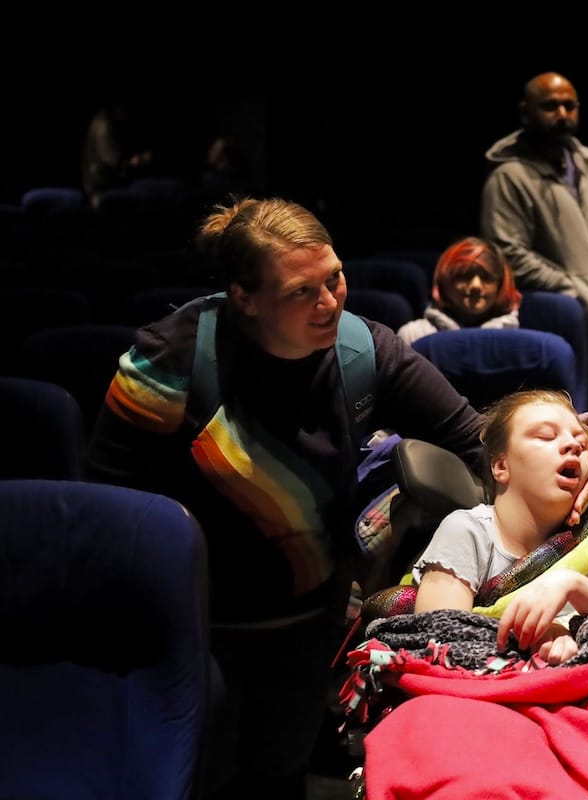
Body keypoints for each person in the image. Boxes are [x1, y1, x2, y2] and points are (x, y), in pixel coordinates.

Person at [84, 196, 496, 800]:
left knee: (279, 778)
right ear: (245, 298)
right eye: (302, 291)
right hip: (192, 627)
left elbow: (475, 438)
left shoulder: (364, 349)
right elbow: (106, 503)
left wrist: (560, 444)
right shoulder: (169, 361)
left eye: (335, 278)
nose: (329, 302)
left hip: (307, 623)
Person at [411, 388, 588, 663]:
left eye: (581, 442)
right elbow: (438, 646)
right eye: (546, 436)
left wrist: (573, 585)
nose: (573, 445)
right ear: (501, 467)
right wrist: (533, 636)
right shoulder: (467, 532)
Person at [480, 71, 588, 435]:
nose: (561, 114)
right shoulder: (509, 178)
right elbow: (509, 253)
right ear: (526, 113)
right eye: (550, 106)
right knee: (570, 444)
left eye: (569, 106)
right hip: (561, 337)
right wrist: (574, 292)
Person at [396, 235, 522, 346]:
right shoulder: (413, 335)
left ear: (500, 285)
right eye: (464, 276)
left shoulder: (517, 341)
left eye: (486, 278)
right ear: (444, 282)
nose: (476, 286)